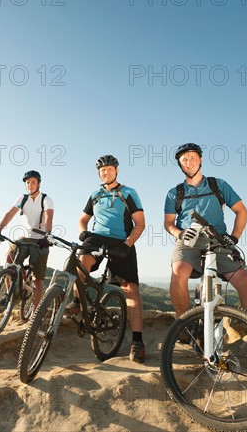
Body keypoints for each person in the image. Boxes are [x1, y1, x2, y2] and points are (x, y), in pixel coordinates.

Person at [163, 143, 247, 352]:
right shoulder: (175, 193)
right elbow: (168, 224)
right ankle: (184, 324)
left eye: (192, 157)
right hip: (188, 241)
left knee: (244, 279)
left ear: (200, 160)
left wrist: (234, 237)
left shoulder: (218, 185)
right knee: (178, 272)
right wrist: (180, 233)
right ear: (179, 164)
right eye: (184, 159)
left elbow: (242, 211)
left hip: (218, 239)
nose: (189, 162)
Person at [72, 155, 146, 363]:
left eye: (109, 169)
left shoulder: (128, 193)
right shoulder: (95, 195)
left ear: (117, 171)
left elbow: (140, 223)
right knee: (80, 263)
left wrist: (127, 245)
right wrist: (83, 232)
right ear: (99, 173)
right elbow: (82, 219)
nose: (106, 173)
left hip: (122, 241)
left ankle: (137, 342)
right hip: (96, 238)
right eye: (102, 170)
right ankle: (78, 302)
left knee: (130, 289)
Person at [0, 170, 54, 309]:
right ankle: (11, 295)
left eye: (33, 182)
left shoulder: (46, 199)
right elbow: (9, 214)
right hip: (24, 238)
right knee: (8, 263)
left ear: (39, 184)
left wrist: (48, 235)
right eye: (27, 183)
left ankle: (35, 315)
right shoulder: (22, 199)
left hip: (40, 240)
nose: (30, 185)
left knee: (38, 280)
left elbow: (48, 217)